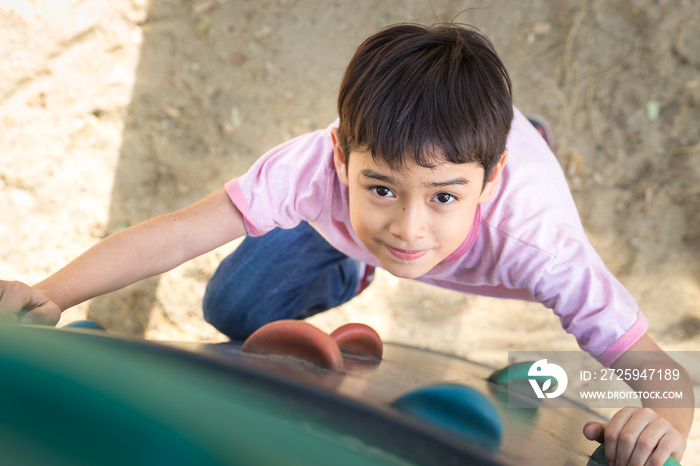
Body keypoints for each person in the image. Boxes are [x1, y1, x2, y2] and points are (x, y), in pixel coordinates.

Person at [0, 22, 692, 465]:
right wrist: (47, 293)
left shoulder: (541, 246)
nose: (410, 229)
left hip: (506, 183)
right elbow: (185, 228)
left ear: (490, 181)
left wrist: (661, 425)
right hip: (349, 222)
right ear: (340, 156)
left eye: (445, 196)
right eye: (382, 187)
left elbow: (668, 379)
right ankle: (351, 264)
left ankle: (523, 131)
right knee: (236, 308)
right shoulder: (313, 169)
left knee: (445, 179)